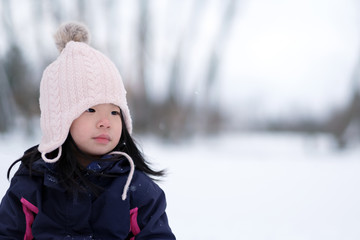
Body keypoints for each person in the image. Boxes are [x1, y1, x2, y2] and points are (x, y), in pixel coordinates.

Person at [0, 22, 175, 240]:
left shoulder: (135, 189)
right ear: (59, 119)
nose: (105, 122)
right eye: (90, 109)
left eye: (114, 112)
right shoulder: (33, 182)